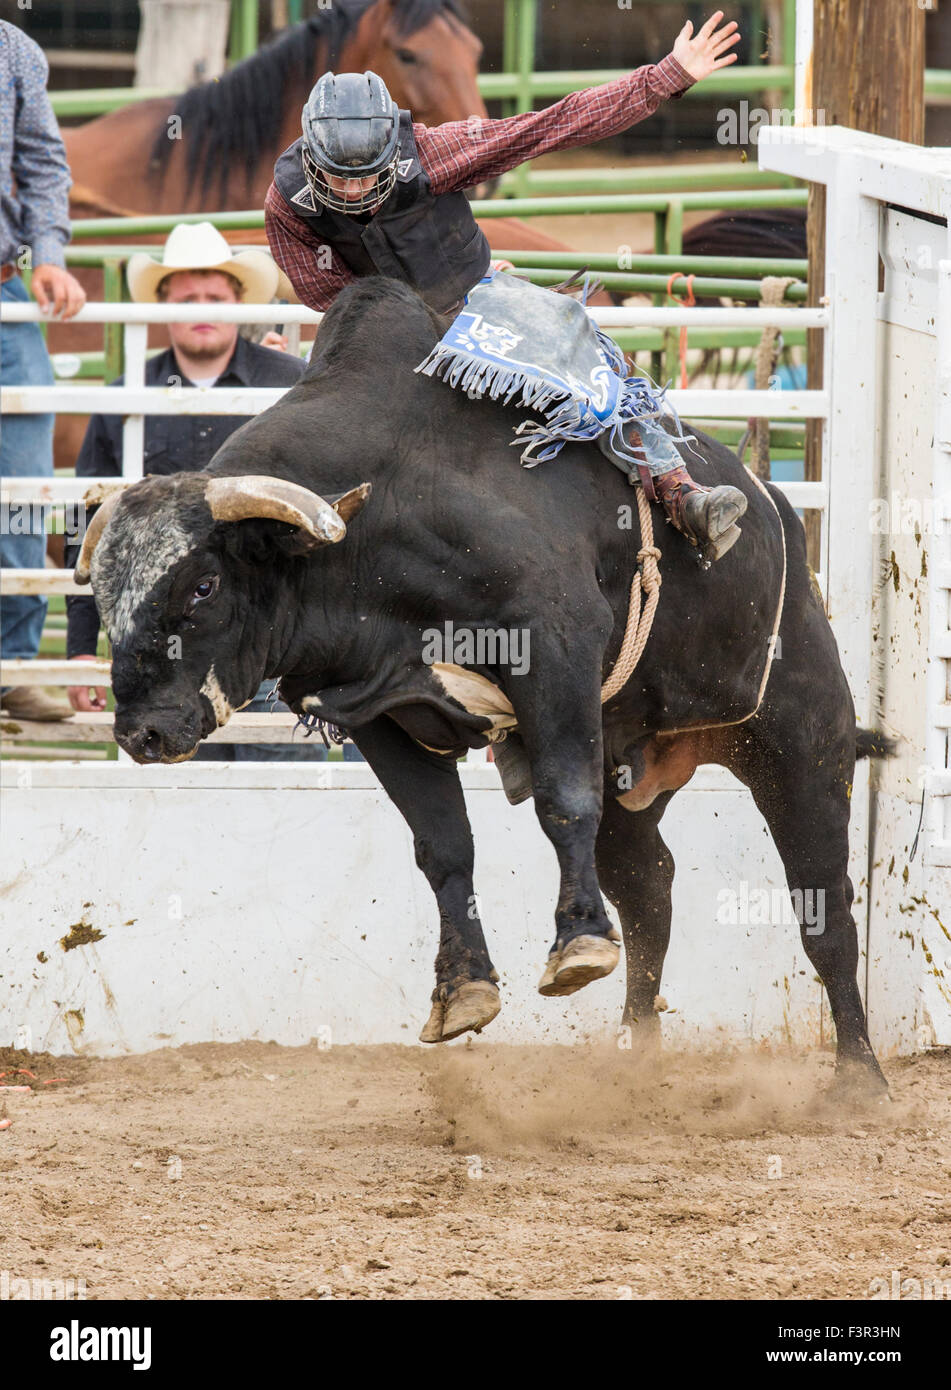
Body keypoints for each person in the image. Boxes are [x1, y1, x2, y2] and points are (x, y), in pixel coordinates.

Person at [264, 12, 747, 559]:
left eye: (366, 177)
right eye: (338, 178)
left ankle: (679, 489)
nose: (352, 193)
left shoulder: (432, 153)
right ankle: (306, 527)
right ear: (311, 159)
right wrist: (392, 328)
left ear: (389, 159)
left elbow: (546, 127)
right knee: (323, 406)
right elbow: (323, 290)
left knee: (584, 352)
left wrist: (663, 77)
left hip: (473, 299)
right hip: (379, 323)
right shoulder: (288, 205)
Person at [63, 221, 354, 762]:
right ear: (164, 306)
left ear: (239, 302)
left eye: (215, 296)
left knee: (283, 797)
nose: (201, 309)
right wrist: (82, 648)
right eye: (187, 297)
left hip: (269, 644)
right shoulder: (126, 397)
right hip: (167, 660)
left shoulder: (291, 383)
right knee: (176, 803)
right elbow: (86, 528)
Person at [0, 19, 87, 722]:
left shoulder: (13, 50)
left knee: (27, 480)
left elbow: (43, 162)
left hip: (4, 287)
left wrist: (48, 254)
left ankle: (15, 664)